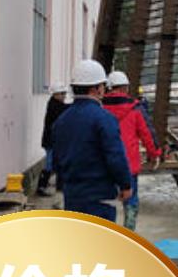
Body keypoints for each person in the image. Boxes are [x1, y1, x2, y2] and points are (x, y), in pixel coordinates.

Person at [52, 59, 133, 222]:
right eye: (103, 85)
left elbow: (57, 160)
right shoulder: (104, 119)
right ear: (97, 89)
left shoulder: (61, 120)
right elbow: (115, 156)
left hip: (72, 196)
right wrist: (125, 184)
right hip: (99, 198)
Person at [103, 70, 162, 231]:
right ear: (126, 88)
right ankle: (128, 232)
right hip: (129, 163)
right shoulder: (135, 108)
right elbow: (147, 133)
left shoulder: (100, 107)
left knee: (105, 201)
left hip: (104, 164)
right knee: (131, 199)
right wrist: (154, 154)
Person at [37, 83, 70, 195]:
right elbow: (64, 110)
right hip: (50, 141)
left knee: (57, 163)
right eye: (62, 94)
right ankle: (42, 187)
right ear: (55, 94)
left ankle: (59, 185)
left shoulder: (57, 104)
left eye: (64, 93)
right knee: (49, 164)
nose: (64, 96)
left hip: (54, 140)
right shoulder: (54, 105)